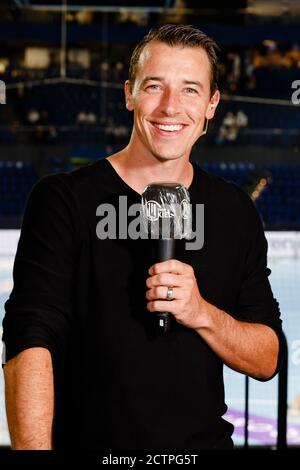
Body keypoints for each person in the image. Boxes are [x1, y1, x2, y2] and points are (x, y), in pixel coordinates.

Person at [2, 24, 283, 451]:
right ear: (129, 93)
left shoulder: (234, 211)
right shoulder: (64, 200)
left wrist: (200, 311)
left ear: (211, 105)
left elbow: (266, 358)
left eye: (190, 90)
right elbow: (29, 340)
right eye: (155, 86)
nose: (171, 107)